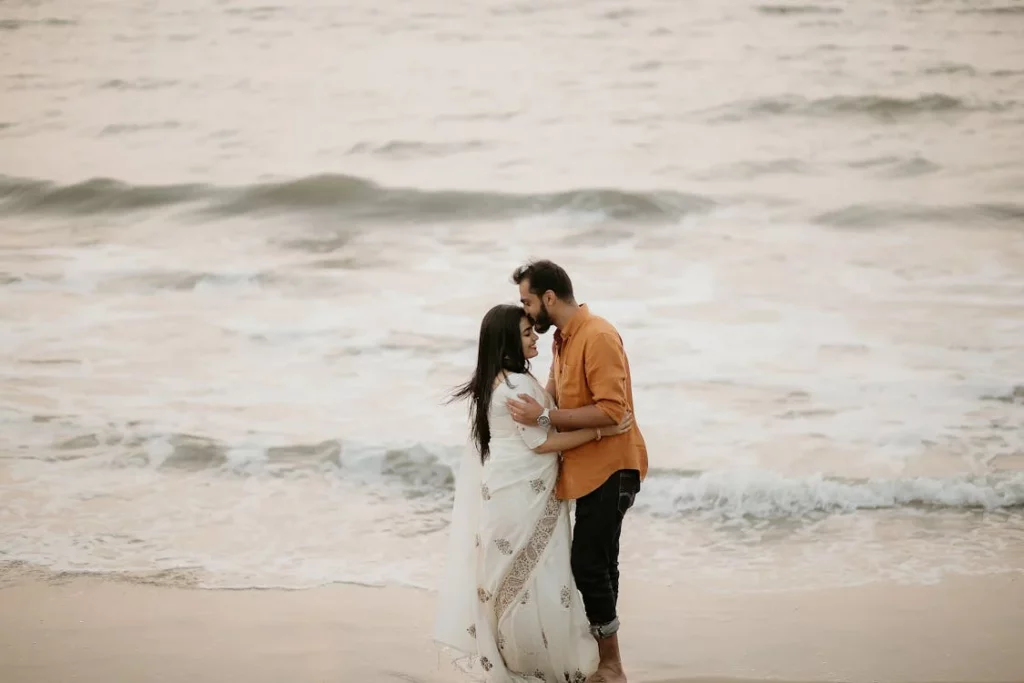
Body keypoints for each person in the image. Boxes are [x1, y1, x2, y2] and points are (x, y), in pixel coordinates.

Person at [434, 304, 634, 683]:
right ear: (510, 340)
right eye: (527, 332)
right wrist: (601, 431)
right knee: (538, 577)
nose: (534, 336)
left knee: (513, 581)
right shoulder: (516, 386)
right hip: (526, 495)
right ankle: (543, 663)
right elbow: (544, 443)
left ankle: (518, 659)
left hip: (508, 492)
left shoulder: (497, 381)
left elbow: (542, 408)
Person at [506, 260, 648, 683]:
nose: (526, 312)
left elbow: (612, 409)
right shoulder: (563, 341)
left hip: (612, 465)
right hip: (589, 468)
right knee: (600, 563)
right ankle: (603, 658)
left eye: (527, 302)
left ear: (549, 298)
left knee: (588, 563)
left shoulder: (598, 335)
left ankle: (612, 665)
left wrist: (546, 420)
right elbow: (553, 398)